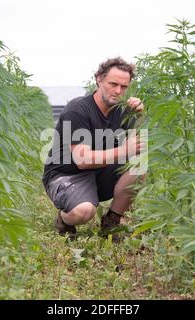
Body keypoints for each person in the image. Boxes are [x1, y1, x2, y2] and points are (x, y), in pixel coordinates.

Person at [42, 57, 145, 240]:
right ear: (99, 79)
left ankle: (111, 222)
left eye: (124, 87)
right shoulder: (78, 109)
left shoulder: (122, 112)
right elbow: (82, 161)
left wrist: (139, 115)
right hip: (67, 175)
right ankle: (64, 220)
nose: (118, 91)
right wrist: (123, 151)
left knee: (139, 165)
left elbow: (138, 145)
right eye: (113, 84)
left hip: (100, 172)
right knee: (84, 211)